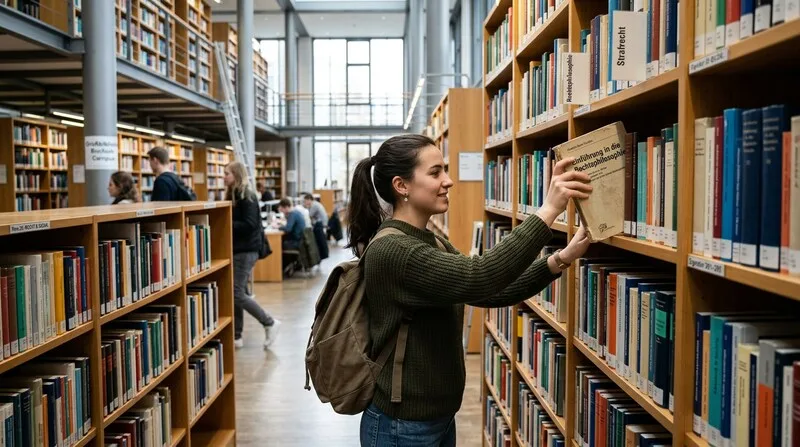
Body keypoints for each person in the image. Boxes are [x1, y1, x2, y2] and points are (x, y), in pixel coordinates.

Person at [350, 134, 593, 446]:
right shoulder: (395, 250)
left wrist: (559, 259)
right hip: (402, 425)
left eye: (445, 170)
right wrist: (547, 211)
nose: (448, 181)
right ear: (402, 186)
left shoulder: (428, 240)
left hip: (434, 418)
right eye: (435, 172)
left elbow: (487, 292)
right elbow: (479, 276)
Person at [225, 161, 280, 349]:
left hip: (246, 250)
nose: (224, 177)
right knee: (239, 291)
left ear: (236, 175)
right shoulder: (235, 194)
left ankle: (269, 322)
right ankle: (236, 335)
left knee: (236, 293)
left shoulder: (246, 195)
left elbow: (250, 224)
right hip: (239, 249)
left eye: (227, 173)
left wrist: (226, 223)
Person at [303, 193, 329, 259]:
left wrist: (305, 207)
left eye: (305, 201)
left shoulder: (314, 205)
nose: (304, 203)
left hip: (321, 224)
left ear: (309, 200)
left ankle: (318, 255)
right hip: (321, 223)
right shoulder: (315, 203)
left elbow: (309, 215)